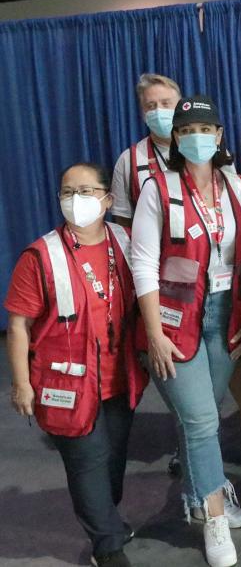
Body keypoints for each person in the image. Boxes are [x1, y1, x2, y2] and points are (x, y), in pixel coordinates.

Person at [131, 95, 241, 567]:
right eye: (186, 131)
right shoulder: (157, 189)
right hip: (173, 319)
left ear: (220, 135)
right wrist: (153, 333)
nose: (196, 138)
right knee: (203, 421)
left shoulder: (240, 187)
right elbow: (142, 263)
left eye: (205, 129)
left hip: (227, 314)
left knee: (200, 417)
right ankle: (214, 515)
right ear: (176, 139)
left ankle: (201, 492)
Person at [6, 163, 149, 567]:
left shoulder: (124, 240)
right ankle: (107, 546)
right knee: (87, 462)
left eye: (86, 191)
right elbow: (18, 325)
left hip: (120, 378)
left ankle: (108, 519)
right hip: (66, 384)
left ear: (107, 199)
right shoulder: (40, 255)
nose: (76, 200)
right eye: (68, 192)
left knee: (113, 458)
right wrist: (21, 384)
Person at [110, 74, 181, 228]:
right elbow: (123, 220)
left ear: (181, 107)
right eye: (151, 106)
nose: (158, 111)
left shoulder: (206, 151)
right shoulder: (129, 160)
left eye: (166, 103)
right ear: (143, 114)